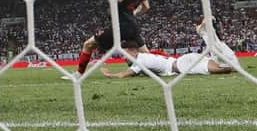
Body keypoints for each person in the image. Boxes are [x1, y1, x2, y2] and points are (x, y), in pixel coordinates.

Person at [65, 0, 150, 80]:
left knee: (88, 45)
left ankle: (78, 75)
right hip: (132, 25)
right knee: (149, 57)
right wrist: (134, 13)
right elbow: (146, 6)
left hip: (120, 25)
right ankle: (171, 67)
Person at [100, 18, 238, 79]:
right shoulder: (145, 56)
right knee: (227, 64)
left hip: (183, 66)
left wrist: (110, 75)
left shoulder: (141, 60)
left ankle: (204, 33)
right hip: (183, 61)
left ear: (132, 51)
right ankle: (207, 33)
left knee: (225, 69)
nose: (124, 58)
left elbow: (127, 74)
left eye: (125, 54)